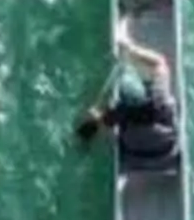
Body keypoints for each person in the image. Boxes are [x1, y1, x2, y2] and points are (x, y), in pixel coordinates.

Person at [76, 34, 179, 164]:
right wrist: (132, 50)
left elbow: (98, 121)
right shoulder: (159, 96)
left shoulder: (119, 112)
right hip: (166, 150)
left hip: (134, 155)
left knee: (120, 129)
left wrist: (94, 115)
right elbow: (159, 61)